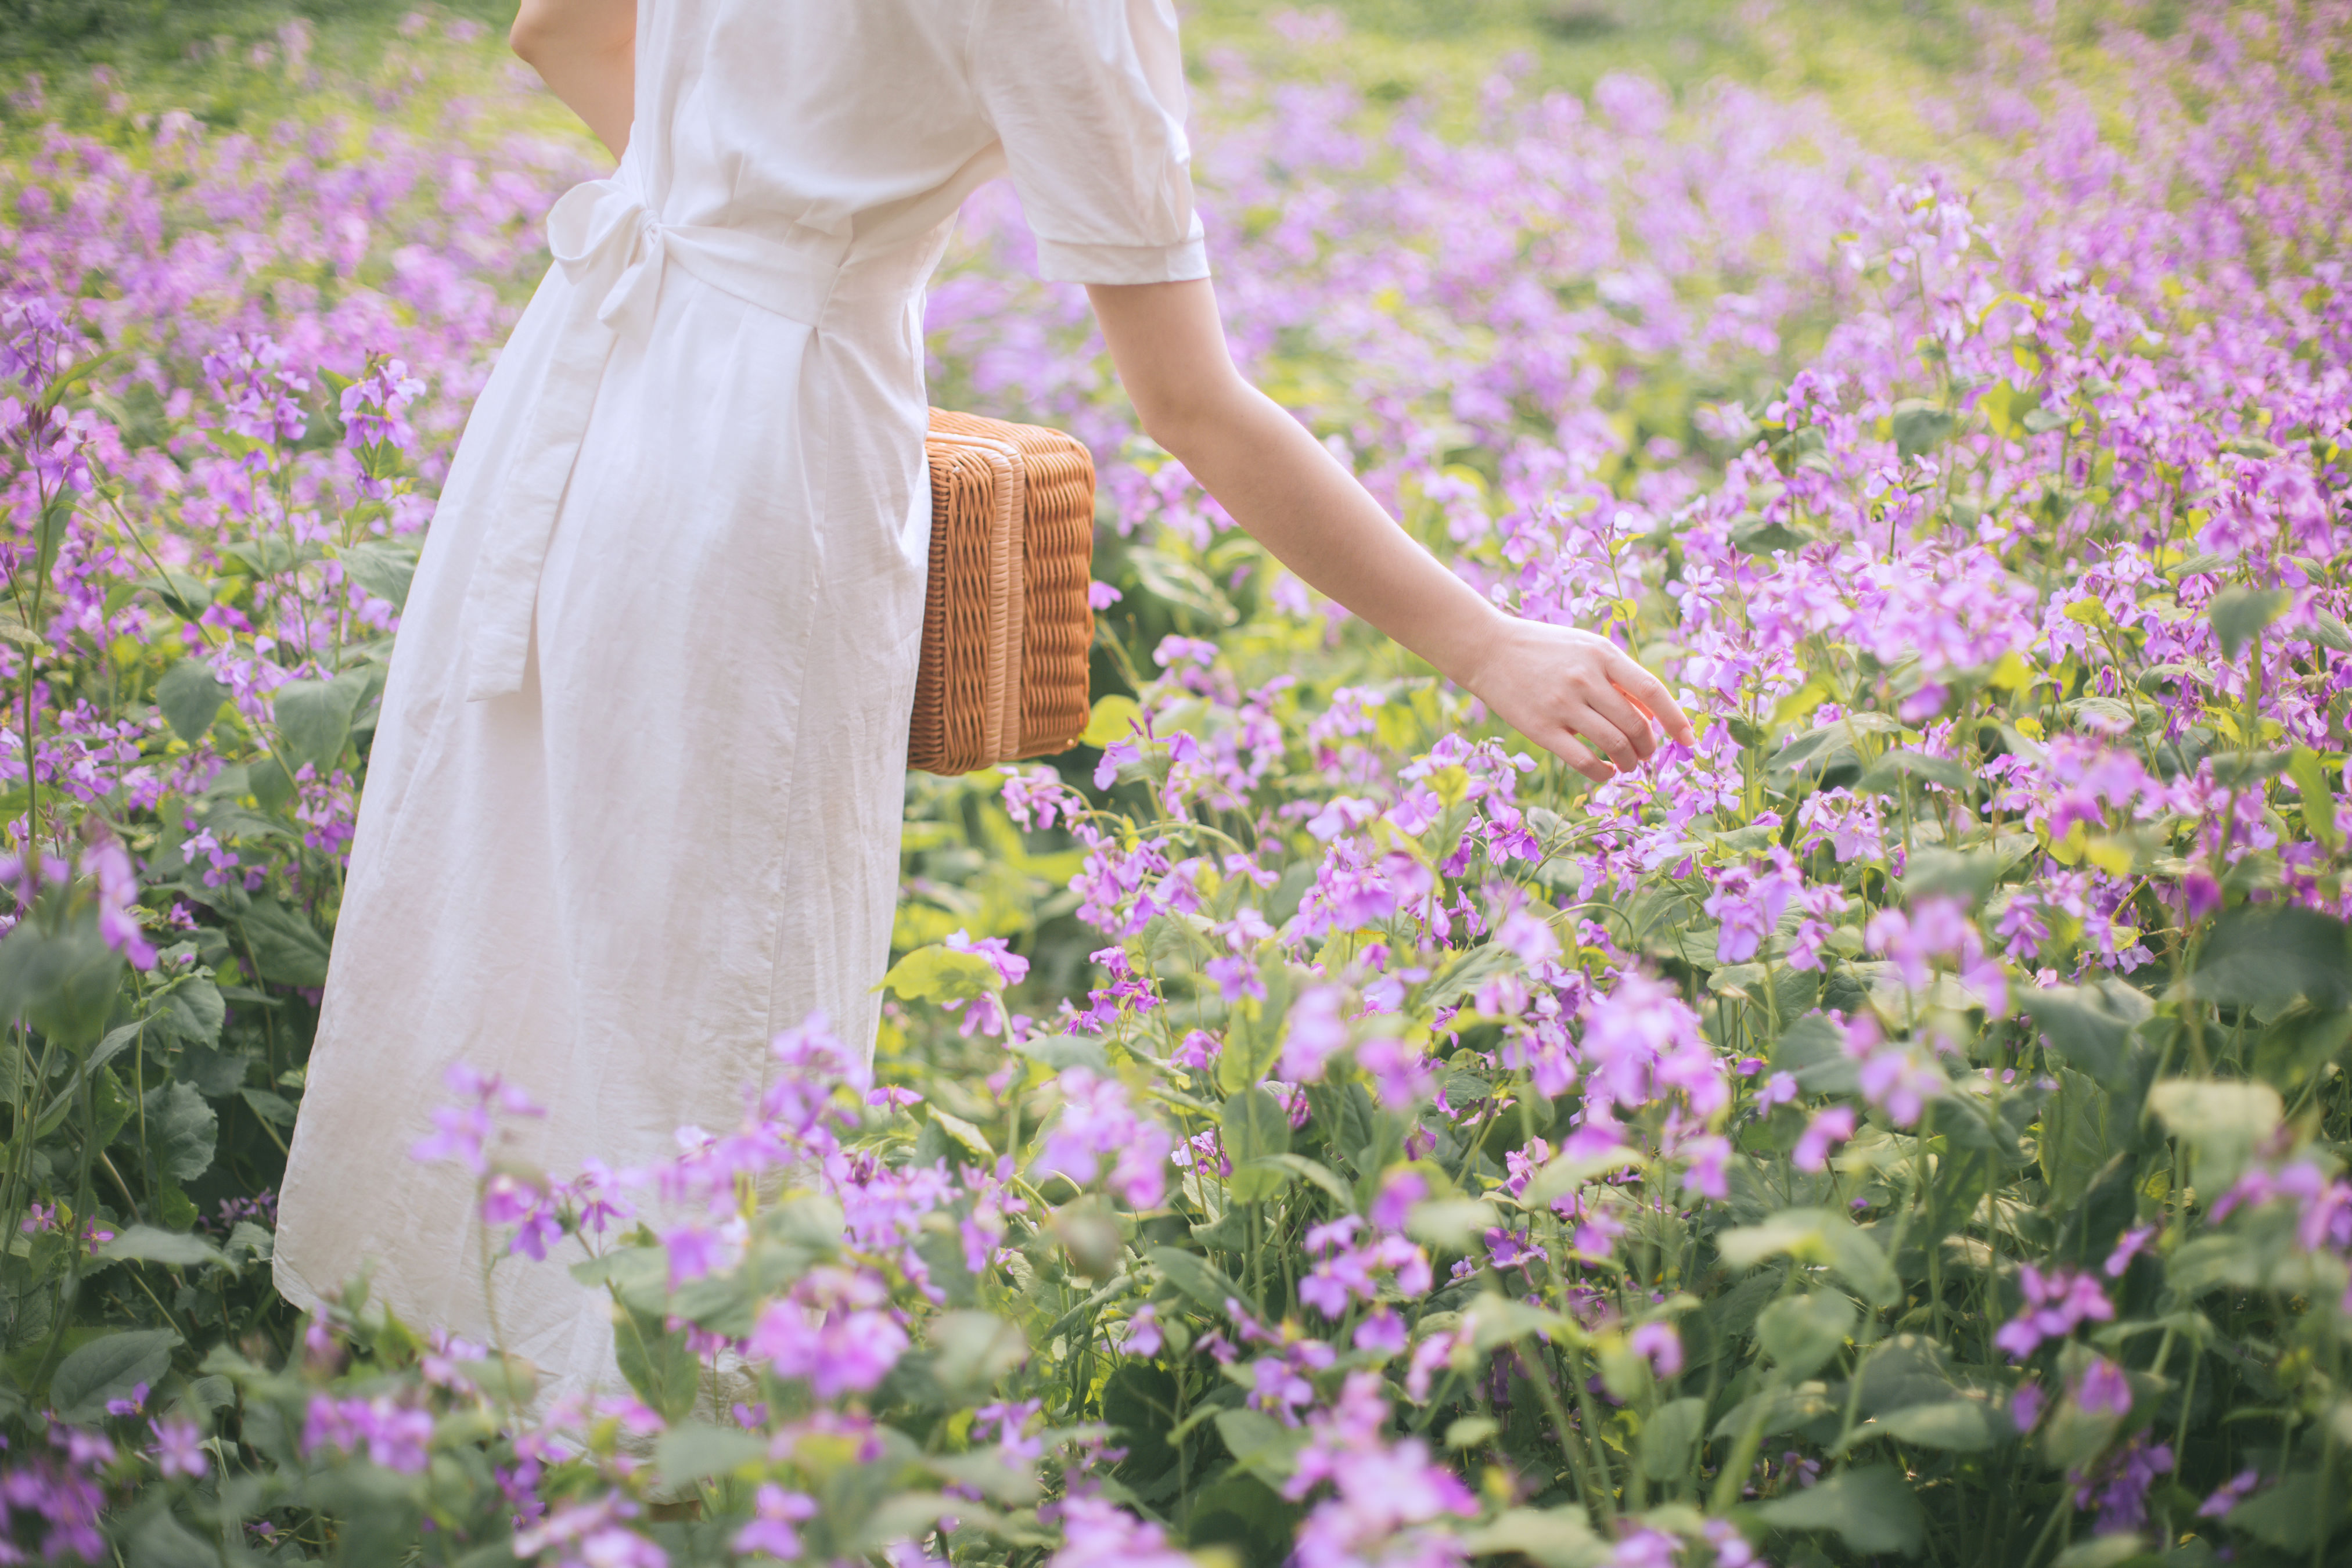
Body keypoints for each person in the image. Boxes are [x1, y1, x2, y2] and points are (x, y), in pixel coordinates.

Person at [272, 0, 1693, 1408]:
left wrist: (748, 233)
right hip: (757, 476)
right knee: (716, 1007)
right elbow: (1189, 399)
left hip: (582, 388)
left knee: (503, 904)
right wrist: (1483, 641)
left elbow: (555, 29)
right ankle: (670, 1471)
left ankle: (418, 1409)